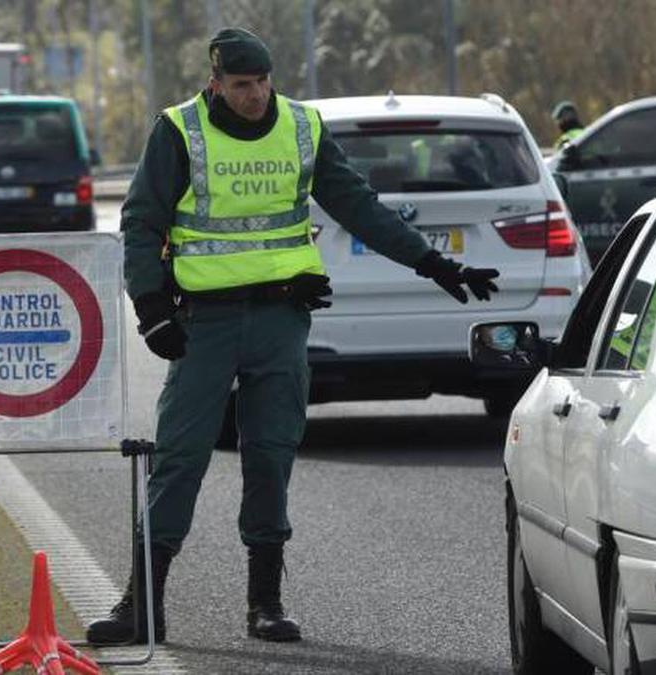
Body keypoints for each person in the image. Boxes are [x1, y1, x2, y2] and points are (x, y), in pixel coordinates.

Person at [86, 27, 500, 646]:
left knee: (271, 457)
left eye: (261, 83)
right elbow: (142, 221)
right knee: (178, 458)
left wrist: (435, 264)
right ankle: (141, 603)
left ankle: (265, 605)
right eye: (241, 86)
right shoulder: (178, 131)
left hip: (281, 321)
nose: (254, 96)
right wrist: (151, 307)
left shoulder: (302, 128)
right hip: (203, 323)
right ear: (216, 83)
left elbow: (358, 206)